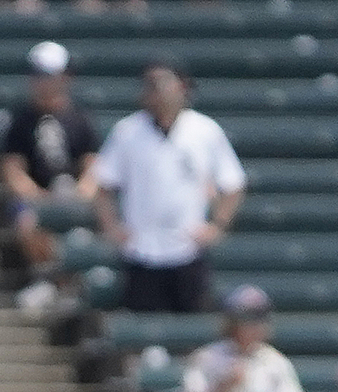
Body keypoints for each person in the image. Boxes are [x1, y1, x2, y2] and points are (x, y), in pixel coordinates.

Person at [93, 61, 246, 313]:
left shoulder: (204, 130)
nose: (156, 91)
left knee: (192, 323)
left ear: (182, 87)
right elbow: (103, 185)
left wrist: (218, 225)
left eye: (162, 83)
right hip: (141, 250)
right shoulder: (127, 132)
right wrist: (111, 227)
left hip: (187, 249)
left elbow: (233, 183)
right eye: (149, 85)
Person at [0, 42, 100, 311]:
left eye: (49, 75)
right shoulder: (20, 120)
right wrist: (38, 196)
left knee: (87, 225)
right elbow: (13, 169)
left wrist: (82, 192)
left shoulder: (79, 118)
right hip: (37, 196)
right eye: (38, 75)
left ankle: (71, 284)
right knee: (27, 220)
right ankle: (47, 278)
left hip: (73, 194)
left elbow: (92, 165)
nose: (43, 82)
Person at [177, 285, 306, 392]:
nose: (253, 326)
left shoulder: (276, 361)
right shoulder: (207, 357)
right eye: (246, 319)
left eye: (259, 319)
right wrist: (223, 387)